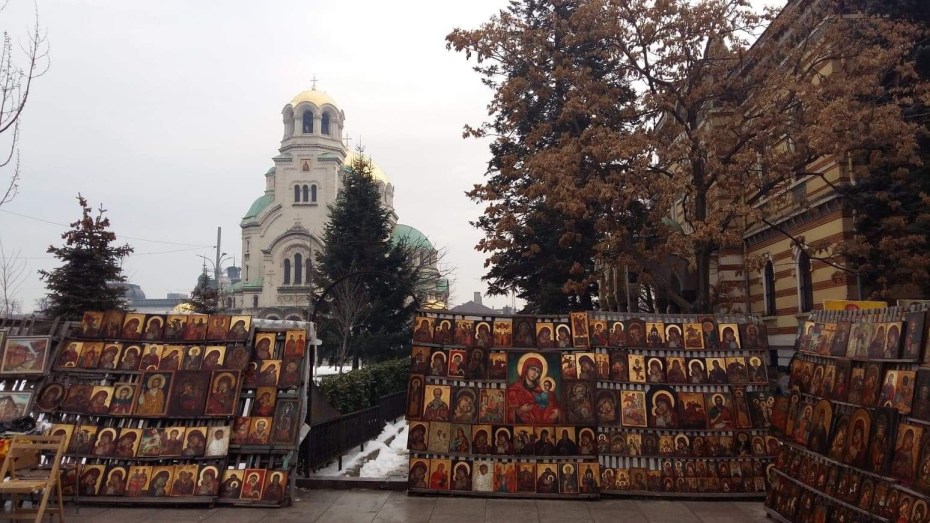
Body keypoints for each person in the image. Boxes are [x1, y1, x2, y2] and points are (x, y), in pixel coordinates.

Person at [506, 356, 561, 424]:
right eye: (533, 369)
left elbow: (551, 407)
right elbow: (508, 411)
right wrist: (520, 410)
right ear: (526, 369)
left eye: (538, 371)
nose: (534, 373)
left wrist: (555, 412)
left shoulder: (541, 390)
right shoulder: (514, 389)